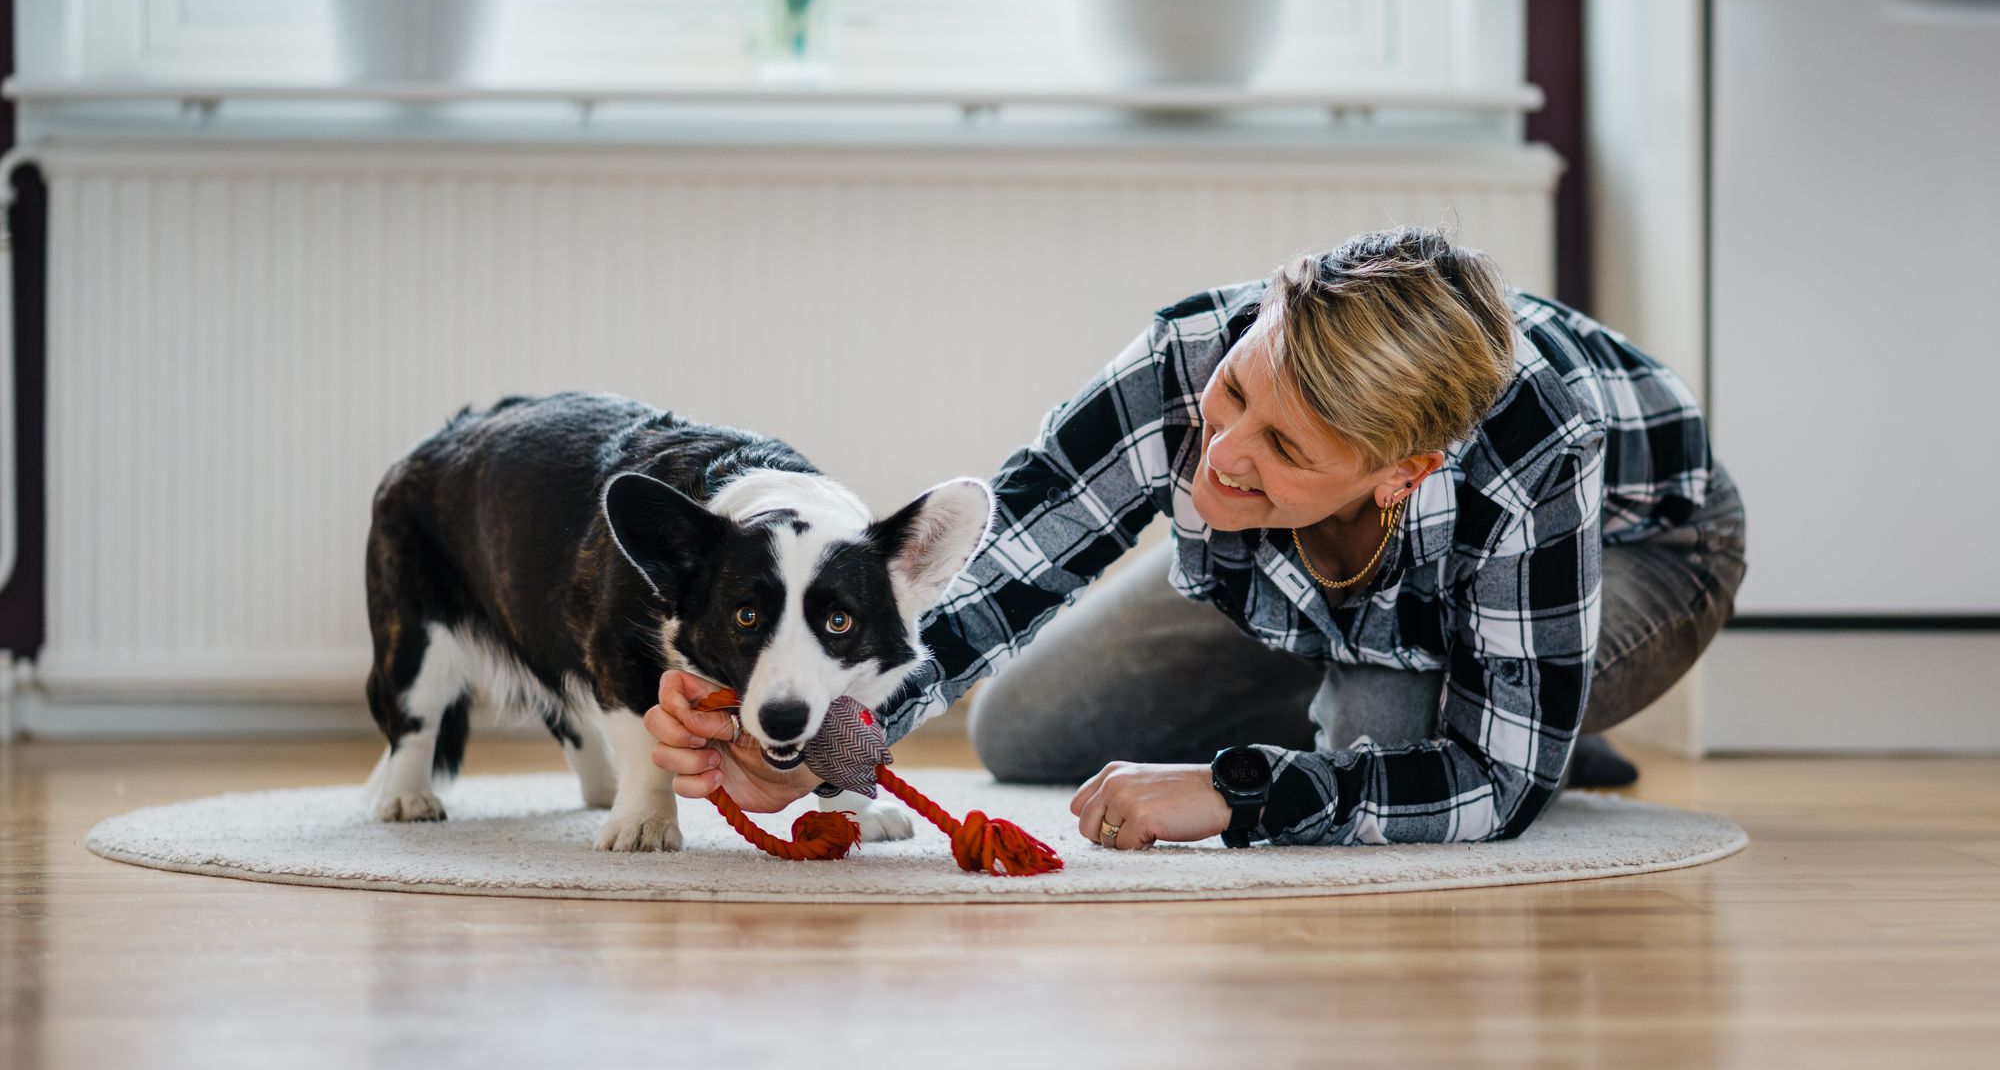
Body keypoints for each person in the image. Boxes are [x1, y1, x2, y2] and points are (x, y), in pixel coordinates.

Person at [645, 226, 1747, 850]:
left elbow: (1490, 785)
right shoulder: (1189, 354)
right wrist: (822, 737)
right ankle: (1421, 695)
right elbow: (1011, 558)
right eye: (1237, 393)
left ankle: (1512, 703)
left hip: (1646, 549)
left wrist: (1235, 789)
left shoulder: (1533, 452)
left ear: (1400, 471)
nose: (1220, 454)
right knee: (1027, 725)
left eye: (1284, 447)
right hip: (1298, 570)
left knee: (1382, 738)